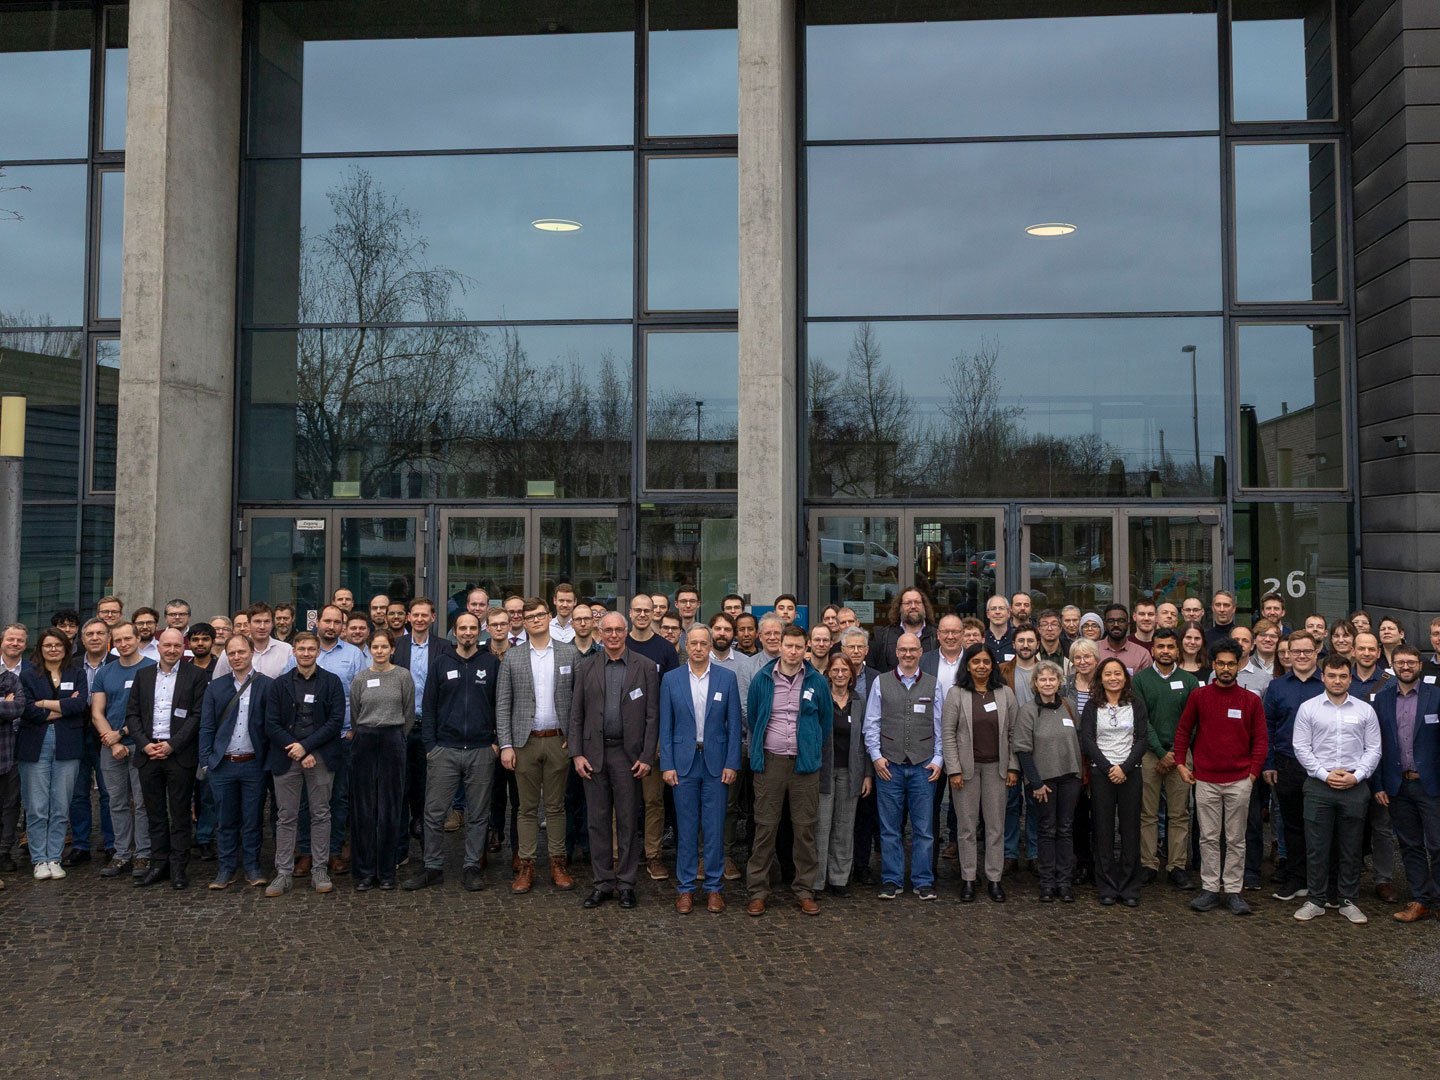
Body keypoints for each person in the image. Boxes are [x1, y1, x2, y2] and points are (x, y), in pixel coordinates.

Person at [404, 614, 498, 894]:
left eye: (472, 628)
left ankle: (472, 867)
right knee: (434, 813)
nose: (468, 633)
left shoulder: (490, 663)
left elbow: (499, 705)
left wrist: (495, 742)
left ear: (478, 631)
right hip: (445, 749)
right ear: (454, 632)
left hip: (481, 750)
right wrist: (432, 746)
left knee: (478, 814)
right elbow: (429, 707)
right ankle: (432, 867)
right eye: (462, 628)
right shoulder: (441, 664)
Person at [569, 612, 657, 910]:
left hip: (628, 756)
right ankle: (603, 882)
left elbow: (652, 716)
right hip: (594, 755)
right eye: (608, 630)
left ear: (627, 631)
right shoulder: (586, 666)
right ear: (599, 632)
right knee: (597, 821)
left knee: (629, 821)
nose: (614, 635)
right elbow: (576, 714)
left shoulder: (644, 667)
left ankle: (627, 884)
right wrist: (577, 753)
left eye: (619, 630)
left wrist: (647, 756)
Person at [1173, 640, 1268, 915]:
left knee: (1236, 838)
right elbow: (1183, 731)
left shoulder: (1250, 700)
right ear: (1213, 665)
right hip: (1206, 779)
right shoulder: (1199, 697)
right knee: (1208, 836)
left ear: (1238, 665)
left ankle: (1234, 890)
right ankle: (1211, 888)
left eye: (1230, 664)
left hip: (1240, 779)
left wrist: (1252, 774)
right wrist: (1181, 763)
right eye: (1220, 664)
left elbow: (1261, 740)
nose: (1225, 669)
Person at [746, 624, 832, 916]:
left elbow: (825, 723)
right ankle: (758, 890)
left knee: (805, 829)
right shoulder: (762, 679)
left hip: (804, 765)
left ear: (806, 648)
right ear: (779, 646)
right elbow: (755, 716)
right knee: (765, 828)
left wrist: (808, 746)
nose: (793, 651)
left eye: (799, 647)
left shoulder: (817, 682)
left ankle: (804, 889)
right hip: (770, 762)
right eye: (788, 646)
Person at [1291, 654, 1382, 924]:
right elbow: (1301, 747)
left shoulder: (1365, 710)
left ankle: (1348, 900)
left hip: (1355, 786)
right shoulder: (1309, 708)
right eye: (1332, 675)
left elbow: (1374, 748)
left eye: (1343, 676)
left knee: (1351, 847)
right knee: (1317, 846)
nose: (1338, 681)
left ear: (1350, 678)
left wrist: (1358, 777)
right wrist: (1324, 774)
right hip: (1319, 786)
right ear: (1323, 677)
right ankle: (1316, 899)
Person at [497, 598, 580, 894]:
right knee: (526, 808)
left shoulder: (569, 654)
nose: (534, 620)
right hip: (525, 742)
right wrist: (506, 744)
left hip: (559, 740)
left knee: (557, 806)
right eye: (528, 616)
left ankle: (558, 862)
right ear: (522, 621)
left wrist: (577, 736)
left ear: (548, 616)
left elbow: (579, 701)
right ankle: (527, 864)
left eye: (539, 615)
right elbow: (503, 703)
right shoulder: (513, 657)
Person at [660, 625, 741, 914]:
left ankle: (714, 887)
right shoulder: (671, 679)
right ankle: (685, 888)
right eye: (692, 643)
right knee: (686, 828)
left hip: (716, 763)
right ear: (685, 646)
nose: (697, 648)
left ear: (710, 647)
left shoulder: (726, 678)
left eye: (702, 643)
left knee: (714, 827)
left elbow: (734, 727)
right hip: (683, 763)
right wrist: (666, 764)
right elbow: (665, 726)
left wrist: (732, 762)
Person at [263, 631, 344, 897]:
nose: (306, 653)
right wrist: (297, 749)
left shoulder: (331, 682)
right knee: (286, 816)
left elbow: (335, 721)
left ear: (318, 651)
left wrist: (306, 747)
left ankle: (319, 869)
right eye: (301, 649)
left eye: (311, 649)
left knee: (321, 814)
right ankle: (283, 872)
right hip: (287, 756)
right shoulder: (279, 684)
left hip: (320, 755)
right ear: (294, 651)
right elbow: (271, 723)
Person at [126, 628, 207, 888]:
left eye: (177, 646)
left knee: (180, 813)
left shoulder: (196, 675)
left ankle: (179, 868)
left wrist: (172, 745)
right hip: (148, 754)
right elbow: (133, 715)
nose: (172, 650)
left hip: (179, 755)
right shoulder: (143, 675)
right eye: (167, 645)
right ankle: (158, 864)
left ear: (184, 649)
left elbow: (197, 716)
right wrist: (144, 745)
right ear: (158, 647)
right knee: (155, 814)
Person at [864, 631, 941, 902]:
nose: (908, 654)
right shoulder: (881, 683)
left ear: (921, 652)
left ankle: (923, 881)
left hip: (923, 766)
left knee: (924, 829)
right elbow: (871, 722)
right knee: (890, 828)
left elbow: (939, 724)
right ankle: (891, 879)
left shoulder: (934, 684)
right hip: (890, 765)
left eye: (913, 650)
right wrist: (876, 756)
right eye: (903, 650)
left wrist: (938, 759)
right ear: (896, 652)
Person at [942, 642, 1021, 903]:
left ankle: (994, 879)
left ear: (993, 665)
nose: (982, 666)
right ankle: (968, 878)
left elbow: (1013, 733)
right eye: (976, 662)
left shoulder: (1005, 694)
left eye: (986, 662)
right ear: (968, 665)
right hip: (965, 770)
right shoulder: (956, 694)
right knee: (966, 828)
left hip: (997, 769)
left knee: (996, 827)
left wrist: (1012, 766)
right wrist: (953, 769)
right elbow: (948, 734)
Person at [1371, 645, 1440, 923]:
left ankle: (1437, 898)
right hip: (1398, 785)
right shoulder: (1382, 700)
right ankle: (1421, 900)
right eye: (1400, 662)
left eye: (1411, 662)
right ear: (1393, 665)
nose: (1406, 666)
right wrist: (1378, 784)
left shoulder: (1436, 696)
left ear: (1420, 666)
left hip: (1432, 785)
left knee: (1438, 845)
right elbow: (1375, 746)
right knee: (1410, 846)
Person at [199, 634, 272, 890]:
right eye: (231, 653)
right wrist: (207, 762)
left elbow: (272, 727)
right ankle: (226, 868)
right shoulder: (215, 687)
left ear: (252, 652)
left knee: (252, 819)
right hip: (223, 765)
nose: (237, 657)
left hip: (254, 764)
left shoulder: (267, 685)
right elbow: (206, 727)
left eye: (241, 652)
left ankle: (252, 867)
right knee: (225, 820)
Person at [1079, 658, 1150, 907]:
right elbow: (1087, 739)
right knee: (1103, 830)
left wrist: (1125, 768)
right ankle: (1107, 885)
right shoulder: (1091, 707)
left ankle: (1130, 885)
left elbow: (1142, 739)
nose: (1113, 678)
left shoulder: (1136, 704)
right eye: (1108, 674)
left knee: (1130, 830)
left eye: (1117, 673)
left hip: (1131, 772)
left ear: (1125, 677)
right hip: (1102, 773)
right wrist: (1109, 768)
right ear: (1101, 678)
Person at [1132, 628, 1199, 889]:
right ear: (1153, 650)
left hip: (1182, 756)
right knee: (1147, 813)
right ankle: (1148, 864)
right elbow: (1141, 719)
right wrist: (1161, 752)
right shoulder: (1140, 680)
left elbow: (1192, 722)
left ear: (1178, 650)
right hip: (1149, 754)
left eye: (1171, 647)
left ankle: (1177, 866)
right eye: (1161, 646)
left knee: (1180, 813)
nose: (1166, 651)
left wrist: (1176, 754)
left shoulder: (1189, 681)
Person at [18, 629, 87, 880]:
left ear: (66, 648)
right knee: (36, 806)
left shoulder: (77, 674)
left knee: (60, 805)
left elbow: (79, 706)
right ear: (40, 648)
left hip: (68, 744)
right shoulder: (27, 676)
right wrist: (64, 707)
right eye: (48, 645)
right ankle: (39, 859)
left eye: (58, 645)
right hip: (34, 745)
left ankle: (54, 857)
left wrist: (44, 703)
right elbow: (26, 710)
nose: (53, 649)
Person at [347, 629, 413, 892]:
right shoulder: (361, 678)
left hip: (393, 740)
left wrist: (397, 736)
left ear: (392, 649)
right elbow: (355, 712)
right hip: (364, 740)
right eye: (375, 647)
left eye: (385, 647)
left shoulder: (402, 676)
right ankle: (365, 871)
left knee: (390, 807)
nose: (380, 651)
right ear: (370, 649)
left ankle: (386, 871)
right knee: (364, 808)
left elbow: (408, 712)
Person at [89, 622, 155, 881]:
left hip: (142, 745)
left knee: (142, 803)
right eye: (118, 640)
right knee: (116, 802)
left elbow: (151, 712)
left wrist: (124, 734)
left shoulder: (151, 668)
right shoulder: (105, 672)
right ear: (112, 643)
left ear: (138, 639)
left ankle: (143, 852)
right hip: (110, 747)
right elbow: (97, 712)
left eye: (128, 638)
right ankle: (121, 853)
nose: (123, 643)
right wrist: (113, 741)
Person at [1263, 631, 1326, 899]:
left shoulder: (1326, 683)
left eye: (1306, 651)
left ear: (1316, 653)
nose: (1300, 656)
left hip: (1321, 767)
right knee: (1291, 825)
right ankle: (1296, 878)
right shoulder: (1277, 687)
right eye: (1295, 652)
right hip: (1287, 765)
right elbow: (1267, 727)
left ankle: (1321, 881)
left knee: (1321, 825)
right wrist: (1269, 763)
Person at [1013, 660, 1082, 902]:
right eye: (1042, 679)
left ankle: (1064, 882)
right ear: (1035, 683)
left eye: (1052, 679)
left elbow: (1079, 740)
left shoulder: (1069, 706)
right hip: (1044, 782)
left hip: (1070, 778)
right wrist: (1035, 782)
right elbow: (1022, 749)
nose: (1048, 683)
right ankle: (1047, 882)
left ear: (1060, 682)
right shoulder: (1028, 711)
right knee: (1046, 829)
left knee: (1065, 829)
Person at [627, 593, 681, 881]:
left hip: (655, 734)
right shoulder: (619, 642)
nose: (643, 614)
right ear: (630, 612)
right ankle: (620, 855)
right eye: (638, 610)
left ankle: (654, 855)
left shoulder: (665, 649)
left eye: (648, 610)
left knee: (653, 801)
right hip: (621, 736)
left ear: (655, 614)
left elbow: (672, 695)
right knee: (621, 800)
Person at [814, 651, 870, 896]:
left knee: (844, 828)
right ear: (828, 673)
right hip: (823, 771)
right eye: (835, 670)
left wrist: (867, 774)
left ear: (852, 674)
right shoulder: (820, 698)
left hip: (851, 771)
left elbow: (867, 739)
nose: (839, 674)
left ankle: (839, 880)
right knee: (821, 827)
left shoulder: (859, 701)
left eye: (844, 670)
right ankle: (816, 881)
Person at [64, 618, 115, 868]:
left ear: (108, 638)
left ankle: (111, 843)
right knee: (78, 793)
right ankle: (81, 845)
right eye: (90, 634)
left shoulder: (118, 664)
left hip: (106, 736)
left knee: (109, 793)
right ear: (82, 640)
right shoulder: (70, 665)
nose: (95, 637)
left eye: (100, 633)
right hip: (75, 734)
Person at [868, 587, 937, 671]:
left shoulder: (937, 636)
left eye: (917, 602)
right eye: (908, 603)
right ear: (899, 607)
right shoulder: (884, 636)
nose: (913, 606)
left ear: (924, 606)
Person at [1098, 604, 1152, 675]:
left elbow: (1147, 683)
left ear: (1128, 625)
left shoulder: (1142, 654)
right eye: (1111, 621)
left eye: (1121, 621)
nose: (1116, 625)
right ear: (1105, 625)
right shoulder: (1093, 650)